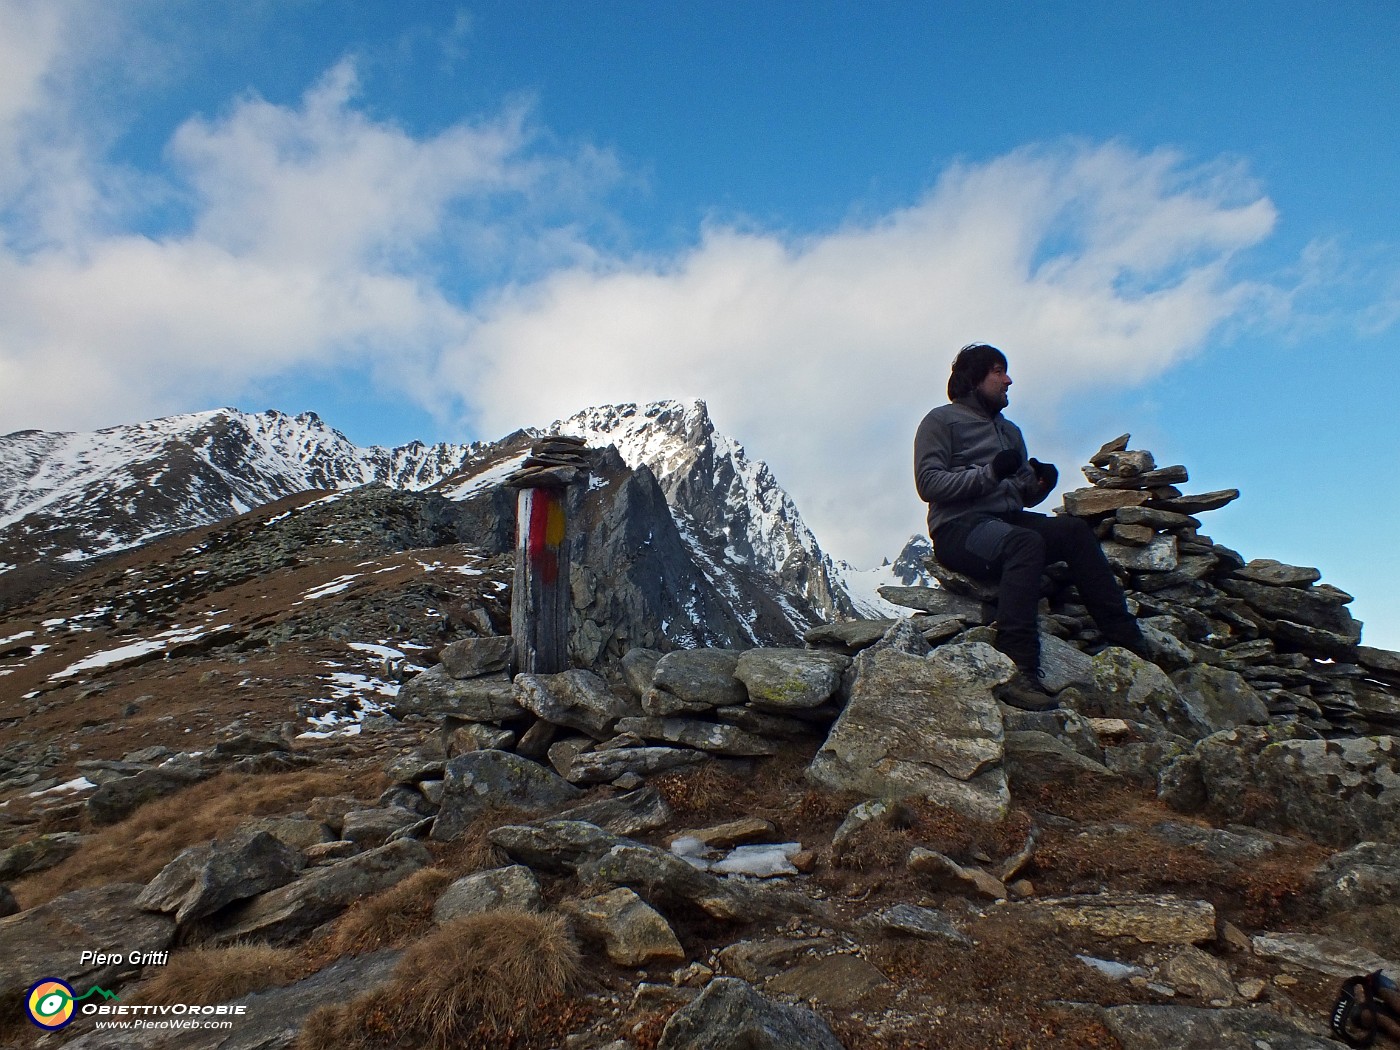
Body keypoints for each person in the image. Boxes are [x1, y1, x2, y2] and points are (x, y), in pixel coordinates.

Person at [914, 343, 1149, 710]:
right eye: (998, 371)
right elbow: (929, 484)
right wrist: (990, 472)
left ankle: (1128, 642)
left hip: (1006, 521)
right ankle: (1018, 667)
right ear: (974, 378)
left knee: (1072, 530)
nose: (1009, 380)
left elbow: (1019, 496)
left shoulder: (1011, 432)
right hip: (959, 528)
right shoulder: (940, 421)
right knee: (1023, 544)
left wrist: (1039, 484)